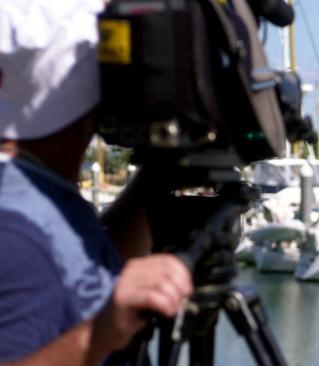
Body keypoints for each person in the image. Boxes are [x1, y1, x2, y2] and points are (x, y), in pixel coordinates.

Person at [0, 0, 193, 364]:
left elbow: (77, 280)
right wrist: (96, 336)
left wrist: (159, 174)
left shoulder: (38, 191)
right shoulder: (15, 230)